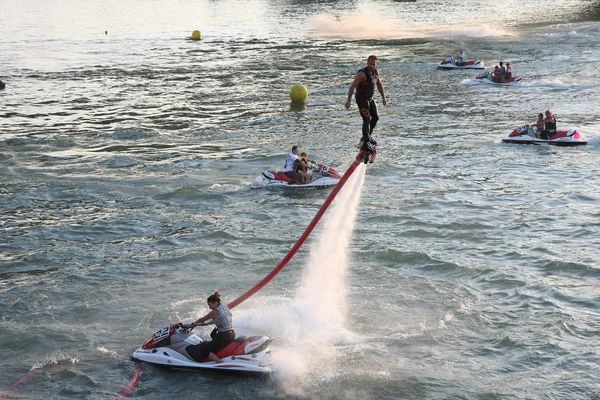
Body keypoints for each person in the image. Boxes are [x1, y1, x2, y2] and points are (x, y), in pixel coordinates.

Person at [345, 55, 387, 153]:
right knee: (367, 119)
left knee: (376, 117)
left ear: (376, 64)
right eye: (370, 64)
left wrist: (383, 98)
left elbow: (379, 85)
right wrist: (348, 101)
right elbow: (352, 86)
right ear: (367, 62)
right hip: (361, 99)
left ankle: (367, 137)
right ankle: (365, 144)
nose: (371, 66)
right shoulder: (362, 74)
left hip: (370, 98)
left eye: (373, 64)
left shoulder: (376, 73)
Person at [186, 292, 235, 363]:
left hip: (224, 336)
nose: (209, 307)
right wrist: (207, 324)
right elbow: (220, 320)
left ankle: (222, 364)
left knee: (206, 350)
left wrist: (193, 324)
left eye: (210, 305)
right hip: (231, 334)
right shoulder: (224, 306)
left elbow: (202, 319)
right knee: (211, 343)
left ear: (215, 303)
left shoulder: (215, 311)